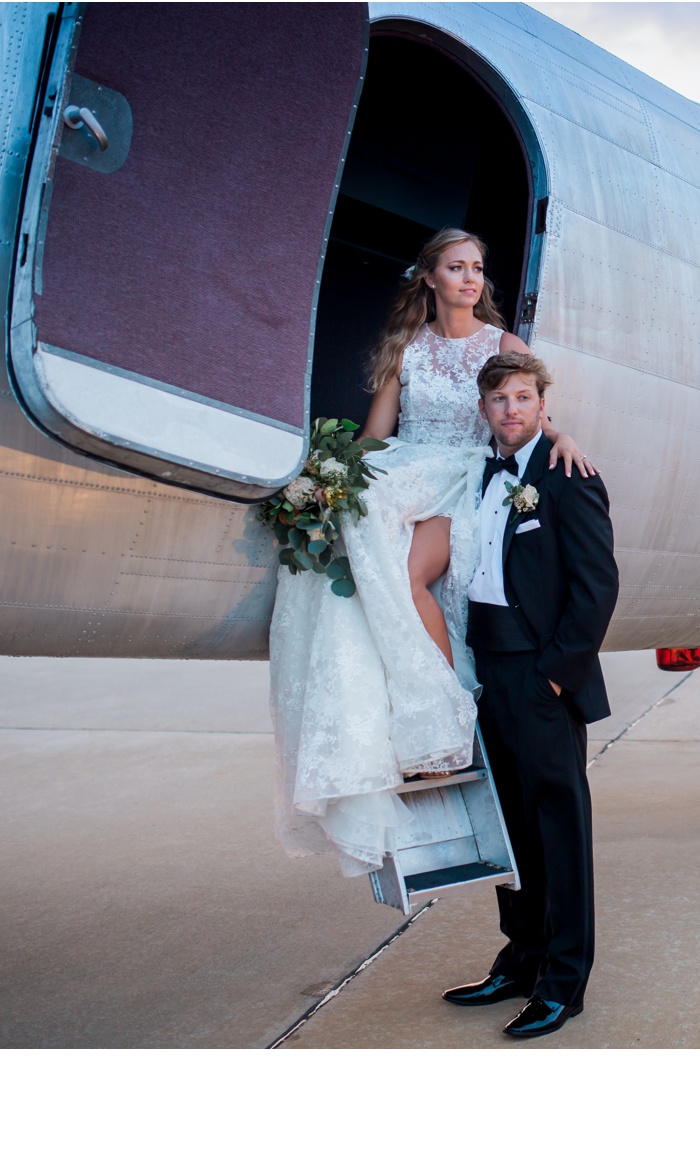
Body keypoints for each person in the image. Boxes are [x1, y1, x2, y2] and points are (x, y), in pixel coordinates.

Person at [271, 229, 593, 876]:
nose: (470, 278)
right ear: (428, 277)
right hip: (408, 470)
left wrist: (560, 439)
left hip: (461, 478)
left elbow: (527, 407)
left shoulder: (500, 344)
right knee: (358, 541)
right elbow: (374, 437)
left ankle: (441, 718)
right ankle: (401, 718)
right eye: (456, 267)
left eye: (477, 268)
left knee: (408, 575)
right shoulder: (407, 351)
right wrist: (322, 478)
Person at [439, 352, 618, 1039]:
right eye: (499, 400)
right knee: (509, 827)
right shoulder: (483, 473)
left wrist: (554, 674)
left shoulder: (567, 477)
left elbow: (596, 585)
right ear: (484, 409)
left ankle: (562, 982)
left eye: (522, 398)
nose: (511, 410)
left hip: (539, 675)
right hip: (486, 666)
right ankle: (520, 958)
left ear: (543, 404)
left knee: (558, 831)